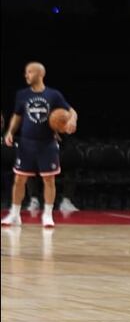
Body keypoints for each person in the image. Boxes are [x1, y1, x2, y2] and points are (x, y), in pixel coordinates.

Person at [2, 62, 76, 228]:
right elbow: (17, 116)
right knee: (19, 179)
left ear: (40, 74)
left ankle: (48, 215)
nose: (26, 75)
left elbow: (72, 111)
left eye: (29, 72)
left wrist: (72, 120)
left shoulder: (53, 95)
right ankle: (14, 214)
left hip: (47, 144)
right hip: (26, 144)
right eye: (26, 72)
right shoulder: (22, 94)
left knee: (49, 179)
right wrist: (10, 132)